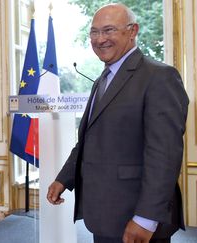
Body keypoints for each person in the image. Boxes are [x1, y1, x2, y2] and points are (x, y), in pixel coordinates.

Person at [47, 3, 189, 243]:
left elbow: (164, 155)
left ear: (132, 31)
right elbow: (90, 139)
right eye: (94, 32)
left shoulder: (159, 77)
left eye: (109, 30)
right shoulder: (102, 79)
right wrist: (64, 178)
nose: (100, 39)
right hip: (104, 215)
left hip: (136, 220)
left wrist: (146, 219)